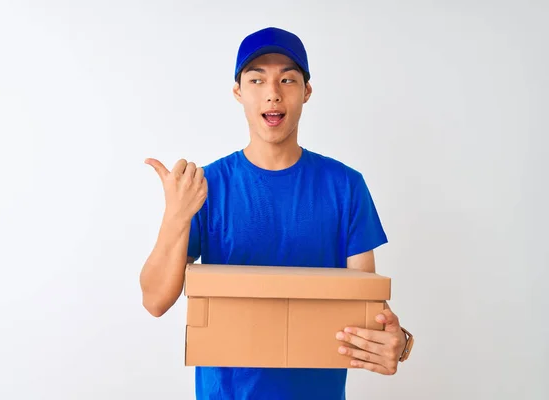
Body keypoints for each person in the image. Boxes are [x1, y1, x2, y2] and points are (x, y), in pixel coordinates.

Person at [140, 27, 413, 400]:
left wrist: (398, 342)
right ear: (238, 92)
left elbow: (364, 309)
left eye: (288, 79)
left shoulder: (345, 187)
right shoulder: (208, 186)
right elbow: (155, 301)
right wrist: (176, 217)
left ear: (306, 92)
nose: (273, 92)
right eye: (257, 79)